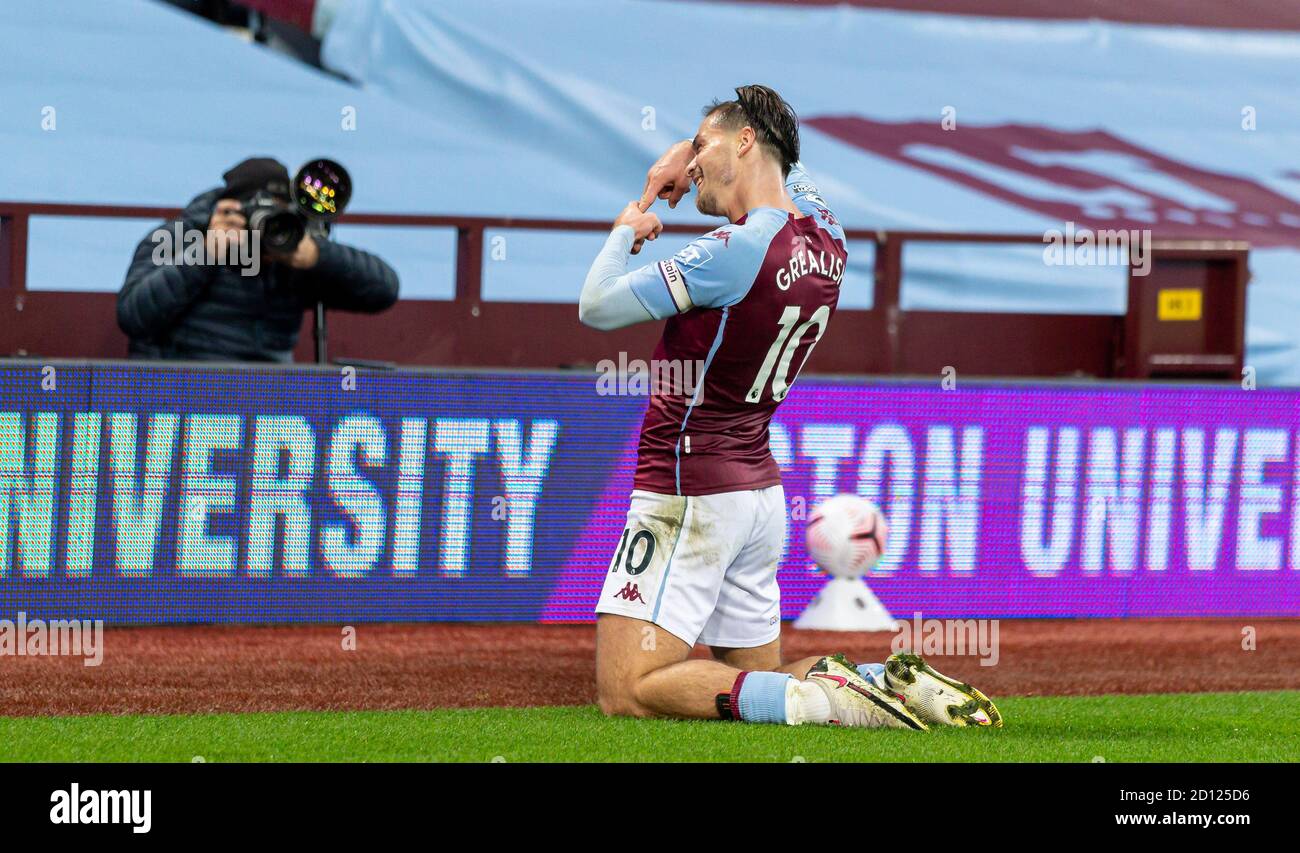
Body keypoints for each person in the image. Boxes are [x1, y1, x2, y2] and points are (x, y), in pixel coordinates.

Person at [579, 84, 1002, 729]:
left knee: (628, 688)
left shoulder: (734, 251)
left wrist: (625, 227)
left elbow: (597, 305)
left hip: (688, 485)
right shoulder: (828, 238)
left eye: (703, 146)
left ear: (744, 142)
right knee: (754, 683)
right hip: (757, 495)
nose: (692, 165)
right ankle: (882, 680)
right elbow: (786, 165)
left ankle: (816, 700)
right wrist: (683, 152)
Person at [117, 157, 399, 361]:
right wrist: (205, 254)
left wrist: (317, 256)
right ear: (229, 210)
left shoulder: (291, 248)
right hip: (185, 389)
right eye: (262, 215)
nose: (269, 227)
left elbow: (383, 289)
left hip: (269, 398)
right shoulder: (180, 236)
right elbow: (133, 316)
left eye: (279, 213)